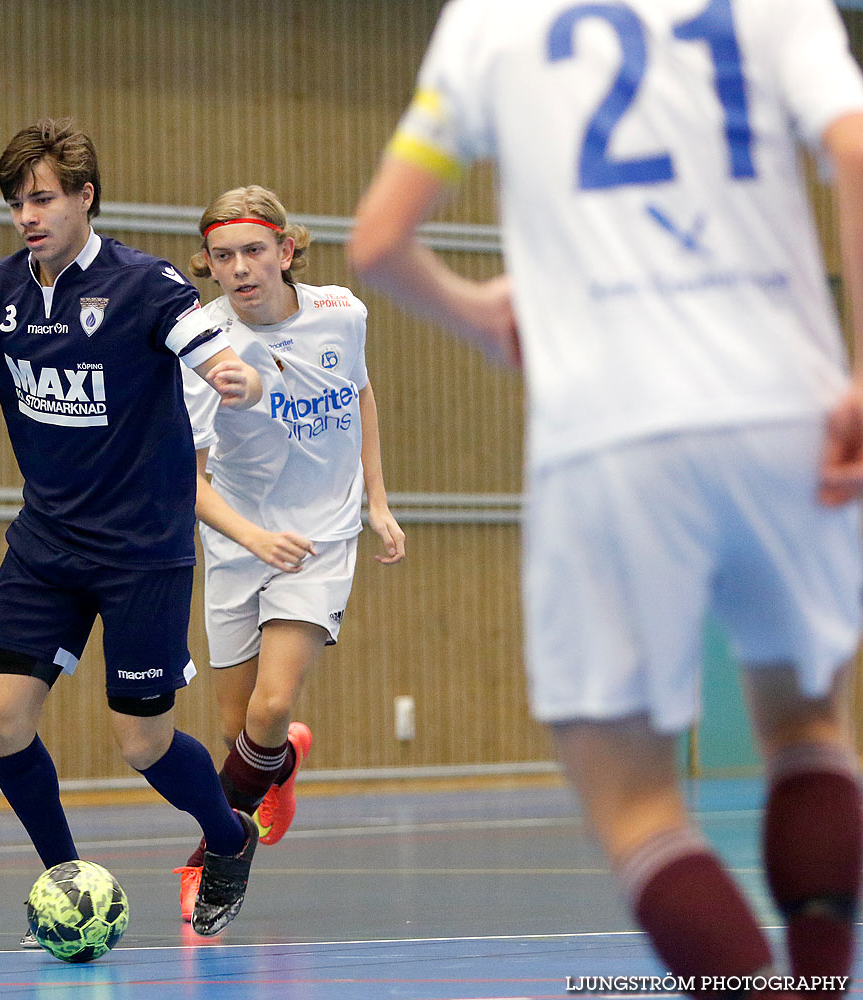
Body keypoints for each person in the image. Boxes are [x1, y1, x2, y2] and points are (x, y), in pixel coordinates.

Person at [348, 0, 863, 994]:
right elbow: (852, 140)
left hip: (610, 431)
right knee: (807, 729)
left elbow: (377, 243)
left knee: (633, 805)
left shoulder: (490, 21)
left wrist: (481, 311)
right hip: (786, 410)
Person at [0, 118, 269, 940]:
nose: (27, 215)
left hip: (143, 550)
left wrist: (231, 374)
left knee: (141, 742)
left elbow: (206, 348)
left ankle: (229, 835)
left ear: (84, 198)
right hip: (48, 544)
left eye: (42, 198)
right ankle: (64, 881)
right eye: (15, 202)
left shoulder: (148, 284)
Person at [170, 186, 406, 922]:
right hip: (240, 540)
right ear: (207, 264)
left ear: (286, 250)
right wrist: (251, 539)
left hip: (320, 537)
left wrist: (376, 499)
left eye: (253, 252)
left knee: (271, 706)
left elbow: (358, 392)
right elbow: (190, 482)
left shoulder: (343, 314)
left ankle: (211, 858)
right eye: (222, 257)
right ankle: (282, 767)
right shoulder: (204, 345)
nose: (240, 268)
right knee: (238, 727)